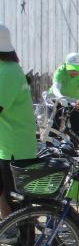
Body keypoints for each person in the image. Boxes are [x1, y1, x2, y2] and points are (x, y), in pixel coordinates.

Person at [0, 23, 37, 221]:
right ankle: (9, 228)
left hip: (15, 147)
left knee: (17, 200)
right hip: (8, 144)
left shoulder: (9, 72)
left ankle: (22, 235)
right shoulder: (7, 68)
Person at [49, 52, 79, 136]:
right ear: (66, 65)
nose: (74, 71)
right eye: (71, 68)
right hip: (56, 99)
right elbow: (55, 88)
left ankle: (74, 143)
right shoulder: (60, 71)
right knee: (54, 126)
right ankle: (51, 142)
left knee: (76, 127)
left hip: (74, 101)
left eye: (77, 69)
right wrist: (61, 98)